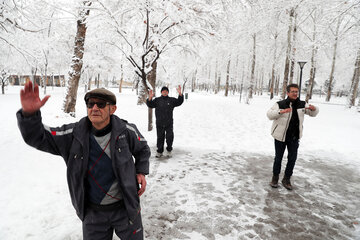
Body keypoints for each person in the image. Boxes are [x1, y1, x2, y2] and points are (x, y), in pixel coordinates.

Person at [16, 81, 150, 240]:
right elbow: (39, 138)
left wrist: (141, 170)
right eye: (90, 104)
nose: (94, 108)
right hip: (93, 214)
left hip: (126, 209)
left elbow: (142, 149)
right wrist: (30, 116)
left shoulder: (126, 131)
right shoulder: (73, 134)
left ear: (112, 109)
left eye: (100, 104)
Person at [267, 83, 319, 190]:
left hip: (294, 137)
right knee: (278, 158)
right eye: (293, 91)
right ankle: (275, 178)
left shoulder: (302, 104)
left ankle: (286, 179)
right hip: (280, 136)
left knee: (292, 158)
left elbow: (313, 113)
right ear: (287, 93)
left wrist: (314, 109)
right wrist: (281, 111)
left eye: (296, 91)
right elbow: (269, 115)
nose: (295, 93)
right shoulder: (280, 104)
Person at [146, 85, 184, 158]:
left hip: (169, 122)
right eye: (163, 91)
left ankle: (169, 150)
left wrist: (180, 94)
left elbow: (179, 102)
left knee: (169, 137)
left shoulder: (171, 100)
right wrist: (150, 98)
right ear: (161, 92)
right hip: (159, 123)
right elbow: (150, 105)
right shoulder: (157, 100)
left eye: (166, 91)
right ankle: (159, 151)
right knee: (160, 137)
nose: (165, 92)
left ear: (168, 92)